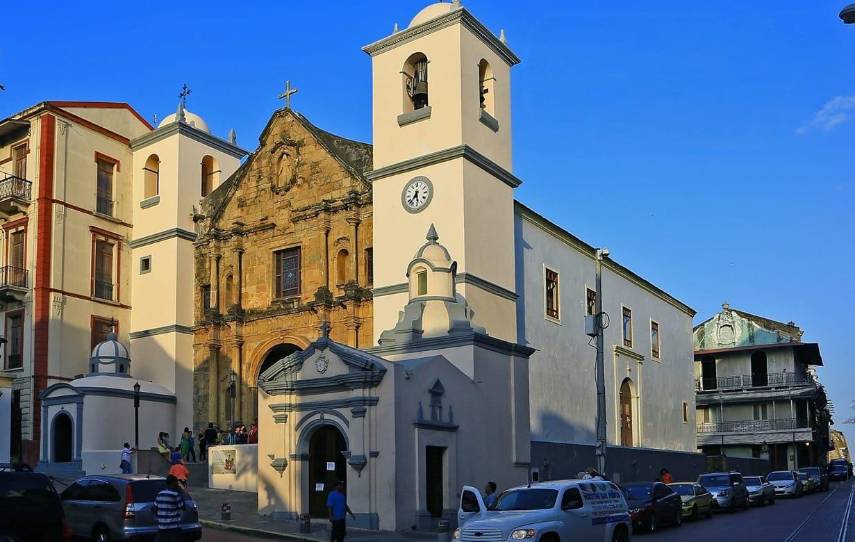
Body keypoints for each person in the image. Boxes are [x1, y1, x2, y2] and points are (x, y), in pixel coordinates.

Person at [153, 475, 186, 541]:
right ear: (173, 483)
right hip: (173, 527)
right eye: (176, 482)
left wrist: (161, 517)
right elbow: (183, 507)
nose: (177, 484)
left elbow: (154, 509)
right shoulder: (176, 495)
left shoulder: (160, 494)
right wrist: (181, 492)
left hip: (162, 527)